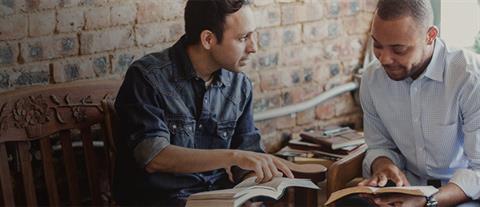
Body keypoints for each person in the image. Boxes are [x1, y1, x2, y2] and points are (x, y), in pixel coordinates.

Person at [112, 0, 293, 206]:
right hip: (161, 200)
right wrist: (234, 156)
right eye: (243, 38)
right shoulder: (147, 77)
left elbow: (248, 153)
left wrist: (252, 187)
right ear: (208, 39)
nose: (253, 47)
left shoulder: (239, 84)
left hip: (220, 198)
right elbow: (154, 156)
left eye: (253, 35)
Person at [358, 0, 480, 206]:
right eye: (377, 45)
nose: (384, 59)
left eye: (399, 49)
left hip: (463, 195)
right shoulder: (372, 78)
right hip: (404, 191)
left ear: (430, 35)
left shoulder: (470, 77)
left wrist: (428, 202)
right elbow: (379, 146)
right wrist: (384, 165)